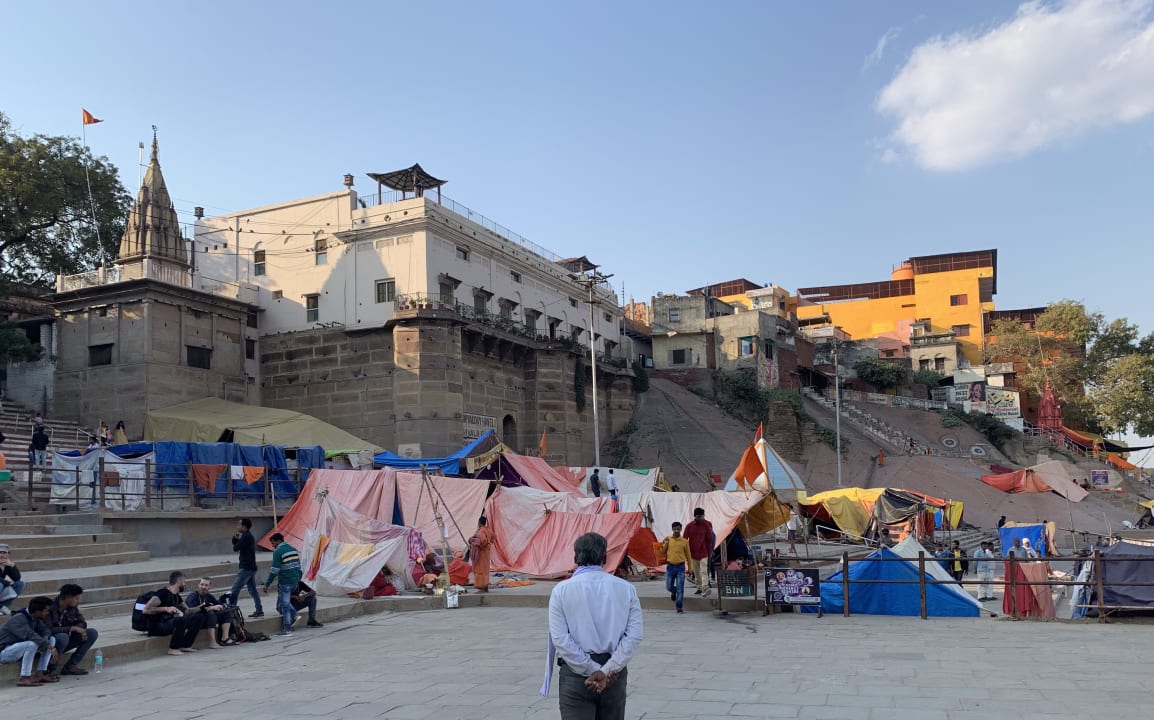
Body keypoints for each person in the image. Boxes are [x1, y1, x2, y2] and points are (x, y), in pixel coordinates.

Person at [543, 532, 643, 718]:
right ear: (604, 557)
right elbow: (634, 636)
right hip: (613, 675)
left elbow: (560, 639)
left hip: (576, 673)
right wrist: (606, 670)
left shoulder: (561, 591)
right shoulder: (626, 589)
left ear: (576, 557)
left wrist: (592, 669)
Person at [142, 572, 205, 656]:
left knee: (198, 617)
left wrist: (202, 607)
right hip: (157, 625)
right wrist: (166, 608)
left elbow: (187, 611)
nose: (185, 584)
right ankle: (173, 649)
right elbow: (145, 610)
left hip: (170, 622)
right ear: (179, 582)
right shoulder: (162, 593)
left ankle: (185, 645)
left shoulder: (176, 596)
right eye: (184, 582)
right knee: (180, 620)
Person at [0, 595, 58, 687]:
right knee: (31, 644)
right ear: (37, 611)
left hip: (16, 651)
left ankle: (40, 673)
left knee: (51, 639)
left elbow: (45, 630)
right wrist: (48, 646)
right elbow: (29, 634)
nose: (47, 613)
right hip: (3, 652)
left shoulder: (34, 618)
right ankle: (24, 677)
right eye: (46, 610)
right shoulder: (18, 619)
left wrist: (46, 637)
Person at [46, 584, 99, 675]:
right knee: (63, 637)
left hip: (67, 641)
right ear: (68, 597)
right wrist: (71, 628)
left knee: (92, 633)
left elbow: (82, 622)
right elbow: (48, 629)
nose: (78, 601)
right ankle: (51, 669)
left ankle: (70, 666)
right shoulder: (49, 607)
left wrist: (79, 629)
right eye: (76, 598)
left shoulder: (72, 608)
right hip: (51, 644)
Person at [263, 533, 302, 637]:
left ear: (278, 541)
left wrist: (267, 584)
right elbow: (298, 566)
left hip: (285, 581)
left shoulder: (278, 551)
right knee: (283, 604)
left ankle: (287, 629)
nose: (272, 546)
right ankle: (294, 616)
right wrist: (297, 579)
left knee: (285, 605)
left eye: (273, 543)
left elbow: (274, 570)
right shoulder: (293, 549)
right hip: (294, 581)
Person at [229, 518, 264, 618]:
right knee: (253, 590)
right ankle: (259, 610)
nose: (237, 526)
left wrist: (236, 539)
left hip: (246, 568)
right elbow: (236, 545)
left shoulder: (246, 536)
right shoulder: (247, 536)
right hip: (251, 567)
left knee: (235, 590)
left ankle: (232, 612)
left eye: (239, 524)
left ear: (244, 527)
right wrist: (235, 538)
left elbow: (235, 548)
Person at [185, 577, 233, 648]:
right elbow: (192, 611)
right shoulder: (192, 596)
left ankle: (225, 638)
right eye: (202, 584)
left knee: (226, 612)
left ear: (209, 586)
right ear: (198, 585)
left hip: (207, 621)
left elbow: (217, 603)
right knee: (211, 614)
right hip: (195, 622)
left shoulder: (209, 596)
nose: (203, 587)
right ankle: (212, 642)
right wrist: (211, 608)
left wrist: (222, 605)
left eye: (206, 585)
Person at [660, 522, 691, 614]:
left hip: (680, 567)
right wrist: (665, 543)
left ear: (681, 529)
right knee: (668, 587)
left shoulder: (685, 541)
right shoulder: (668, 539)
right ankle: (673, 591)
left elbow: (688, 556)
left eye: (678, 529)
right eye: (675, 529)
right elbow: (662, 551)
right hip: (670, 567)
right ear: (672, 529)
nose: (676, 531)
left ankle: (679, 607)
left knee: (680, 587)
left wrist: (690, 568)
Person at [683, 508, 714, 597]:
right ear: (695, 516)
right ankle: (699, 588)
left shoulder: (707, 525)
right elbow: (684, 540)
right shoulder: (689, 526)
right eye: (698, 516)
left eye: (702, 516)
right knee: (696, 572)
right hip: (693, 553)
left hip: (704, 552)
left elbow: (709, 540)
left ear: (704, 515)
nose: (700, 518)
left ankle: (705, 588)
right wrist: (686, 553)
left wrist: (709, 552)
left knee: (703, 571)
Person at [471, 516, 495, 593]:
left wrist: (476, 543)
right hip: (486, 553)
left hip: (481, 553)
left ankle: (481, 588)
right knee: (485, 570)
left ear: (479, 522)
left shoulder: (481, 531)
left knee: (479, 570)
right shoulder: (488, 530)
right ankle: (485, 588)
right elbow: (493, 538)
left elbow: (483, 540)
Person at [0, 543, 25, 616]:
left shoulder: (6, 564)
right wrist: (6, 582)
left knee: (20, 584)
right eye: (0, 553)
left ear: (8, 554)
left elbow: (17, 578)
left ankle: (2, 606)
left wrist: (12, 566)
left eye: (5, 553)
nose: (2, 555)